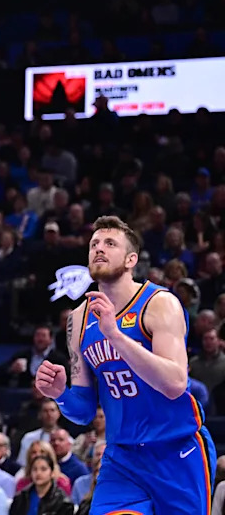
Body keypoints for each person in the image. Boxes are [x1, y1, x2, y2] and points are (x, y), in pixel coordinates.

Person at [36, 215, 216, 514]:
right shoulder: (79, 319)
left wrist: (115, 336)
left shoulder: (160, 303)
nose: (99, 249)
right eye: (94, 244)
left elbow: (174, 384)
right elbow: (82, 411)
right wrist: (61, 394)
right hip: (122, 458)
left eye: (110, 243)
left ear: (131, 259)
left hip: (176, 450)